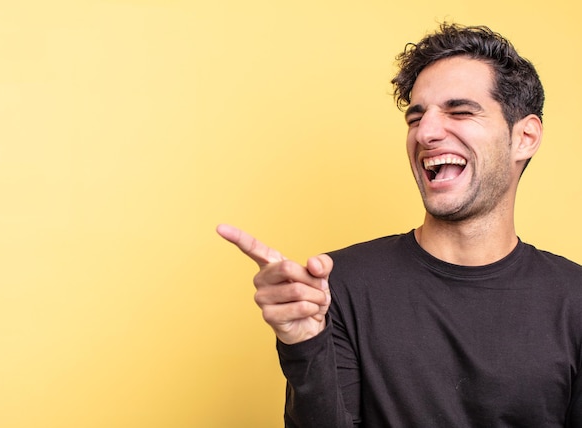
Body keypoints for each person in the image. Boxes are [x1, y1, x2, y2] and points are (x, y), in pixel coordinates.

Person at [216, 23, 582, 427]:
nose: (425, 133)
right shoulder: (339, 287)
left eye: (460, 111)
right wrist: (305, 347)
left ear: (525, 137)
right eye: (416, 118)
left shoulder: (575, 300)